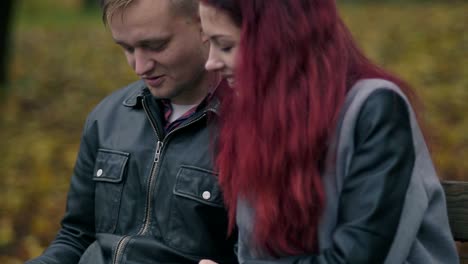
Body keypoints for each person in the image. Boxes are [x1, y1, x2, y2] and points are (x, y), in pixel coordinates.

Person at [198, 0, 459, 263]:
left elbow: (360, 256)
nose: (211, 62)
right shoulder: (261, 123)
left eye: (225, 46)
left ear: (279, 41)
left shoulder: (376, 111)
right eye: (209, 44)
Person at [26, 0, 238, 263]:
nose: (140, 67)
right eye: (126, 48)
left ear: (205, 24)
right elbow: (76, 235)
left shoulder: (255, 133)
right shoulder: (107, 117)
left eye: (155, 46)